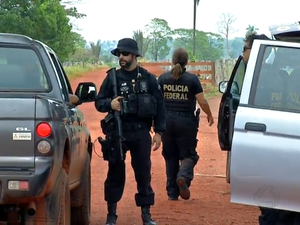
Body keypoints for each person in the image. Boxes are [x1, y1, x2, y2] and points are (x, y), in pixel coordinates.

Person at [95, 38, 166, 225]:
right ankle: (111, 214)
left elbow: (160, 106)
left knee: (143, 172)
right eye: (119, 54)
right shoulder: (112, 78)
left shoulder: (148, 79)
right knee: (115, 171)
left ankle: (146, 214)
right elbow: (99, 102)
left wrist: (159, 132)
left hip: (141, 132)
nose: (121, 57)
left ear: (134, 55)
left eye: (125, 54)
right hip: (118, 131)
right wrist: (110, 104)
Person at [157, 48, 214, 201]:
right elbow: (201, 100)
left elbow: (156, 101)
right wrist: (209, 114)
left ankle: (172, 193)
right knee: (188, 155)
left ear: (172, 60)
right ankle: (183, 176)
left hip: (166, 122)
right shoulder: (192, 80)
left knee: (170, 156)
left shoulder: (162, 79)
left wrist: (155, 122)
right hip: (186, 122)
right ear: (187, 62)